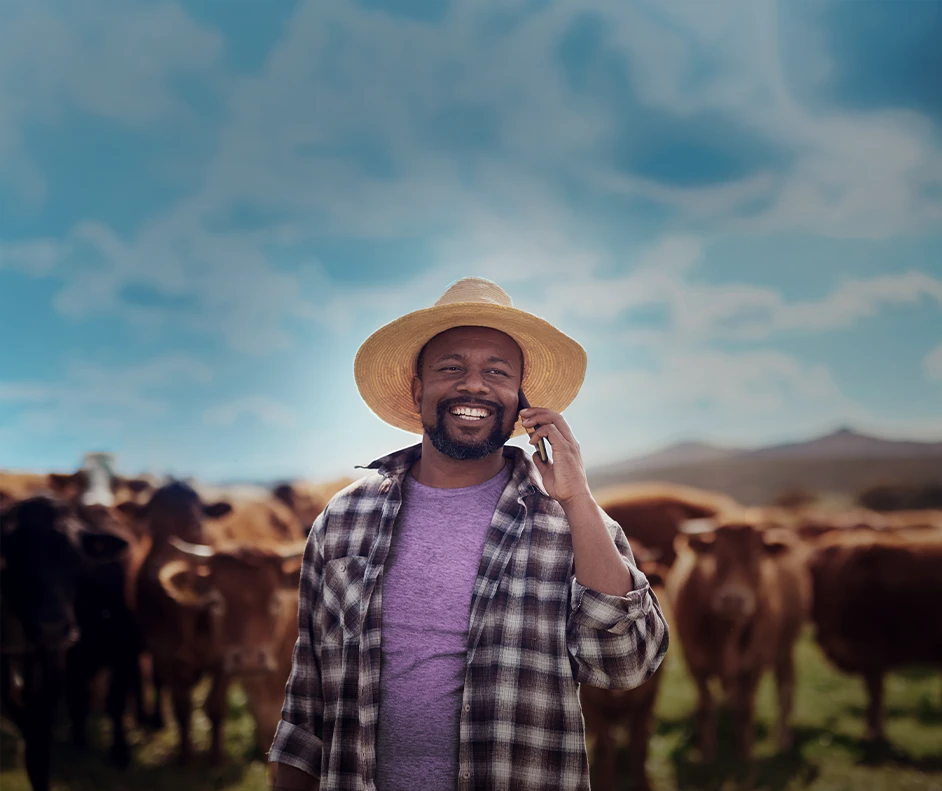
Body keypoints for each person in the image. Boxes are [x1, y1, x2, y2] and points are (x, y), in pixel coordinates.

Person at [268, 277, 669, 791]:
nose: (474, 385)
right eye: (451, 368)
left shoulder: (572, 523)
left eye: (497, 372)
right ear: (418, 390)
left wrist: (577, 499)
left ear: (521, 400)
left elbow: (627, 664)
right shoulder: (344, 518)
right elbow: (306, 706)